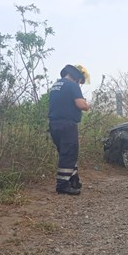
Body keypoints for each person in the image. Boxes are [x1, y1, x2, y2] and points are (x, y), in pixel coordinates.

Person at [48, 64, 90, 195]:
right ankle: (62, 185)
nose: (80, 84)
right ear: (77, 76)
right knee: (69, 153)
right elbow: (81, 104)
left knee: (66, 153)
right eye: (80, 81)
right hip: (67, 124)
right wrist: (87, 105)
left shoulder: (56, 85)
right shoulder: (72, 85)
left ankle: (73, 180)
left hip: (54, 124)